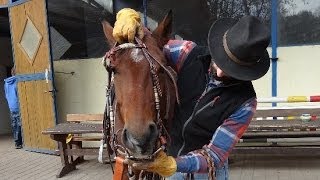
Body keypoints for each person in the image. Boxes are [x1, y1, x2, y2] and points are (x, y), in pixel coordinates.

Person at [112, 8, 270, 180]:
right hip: (169, 163)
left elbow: (215, 154)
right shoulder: (186, 54)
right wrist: (132, 23)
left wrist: (172, 165)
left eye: (233, 69)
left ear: (247, 70)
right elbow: (148, 47)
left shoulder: (245, 102)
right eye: (221, 60)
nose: (220, 73)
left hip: (206, 172)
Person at [4, 67, 23, 149]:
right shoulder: (18, 82)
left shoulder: (6, 83)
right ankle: (19, 142)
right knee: (19, 124)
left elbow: (6, 95)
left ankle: (17, 142)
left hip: (11, 106)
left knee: (15, 124)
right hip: (18, 106)